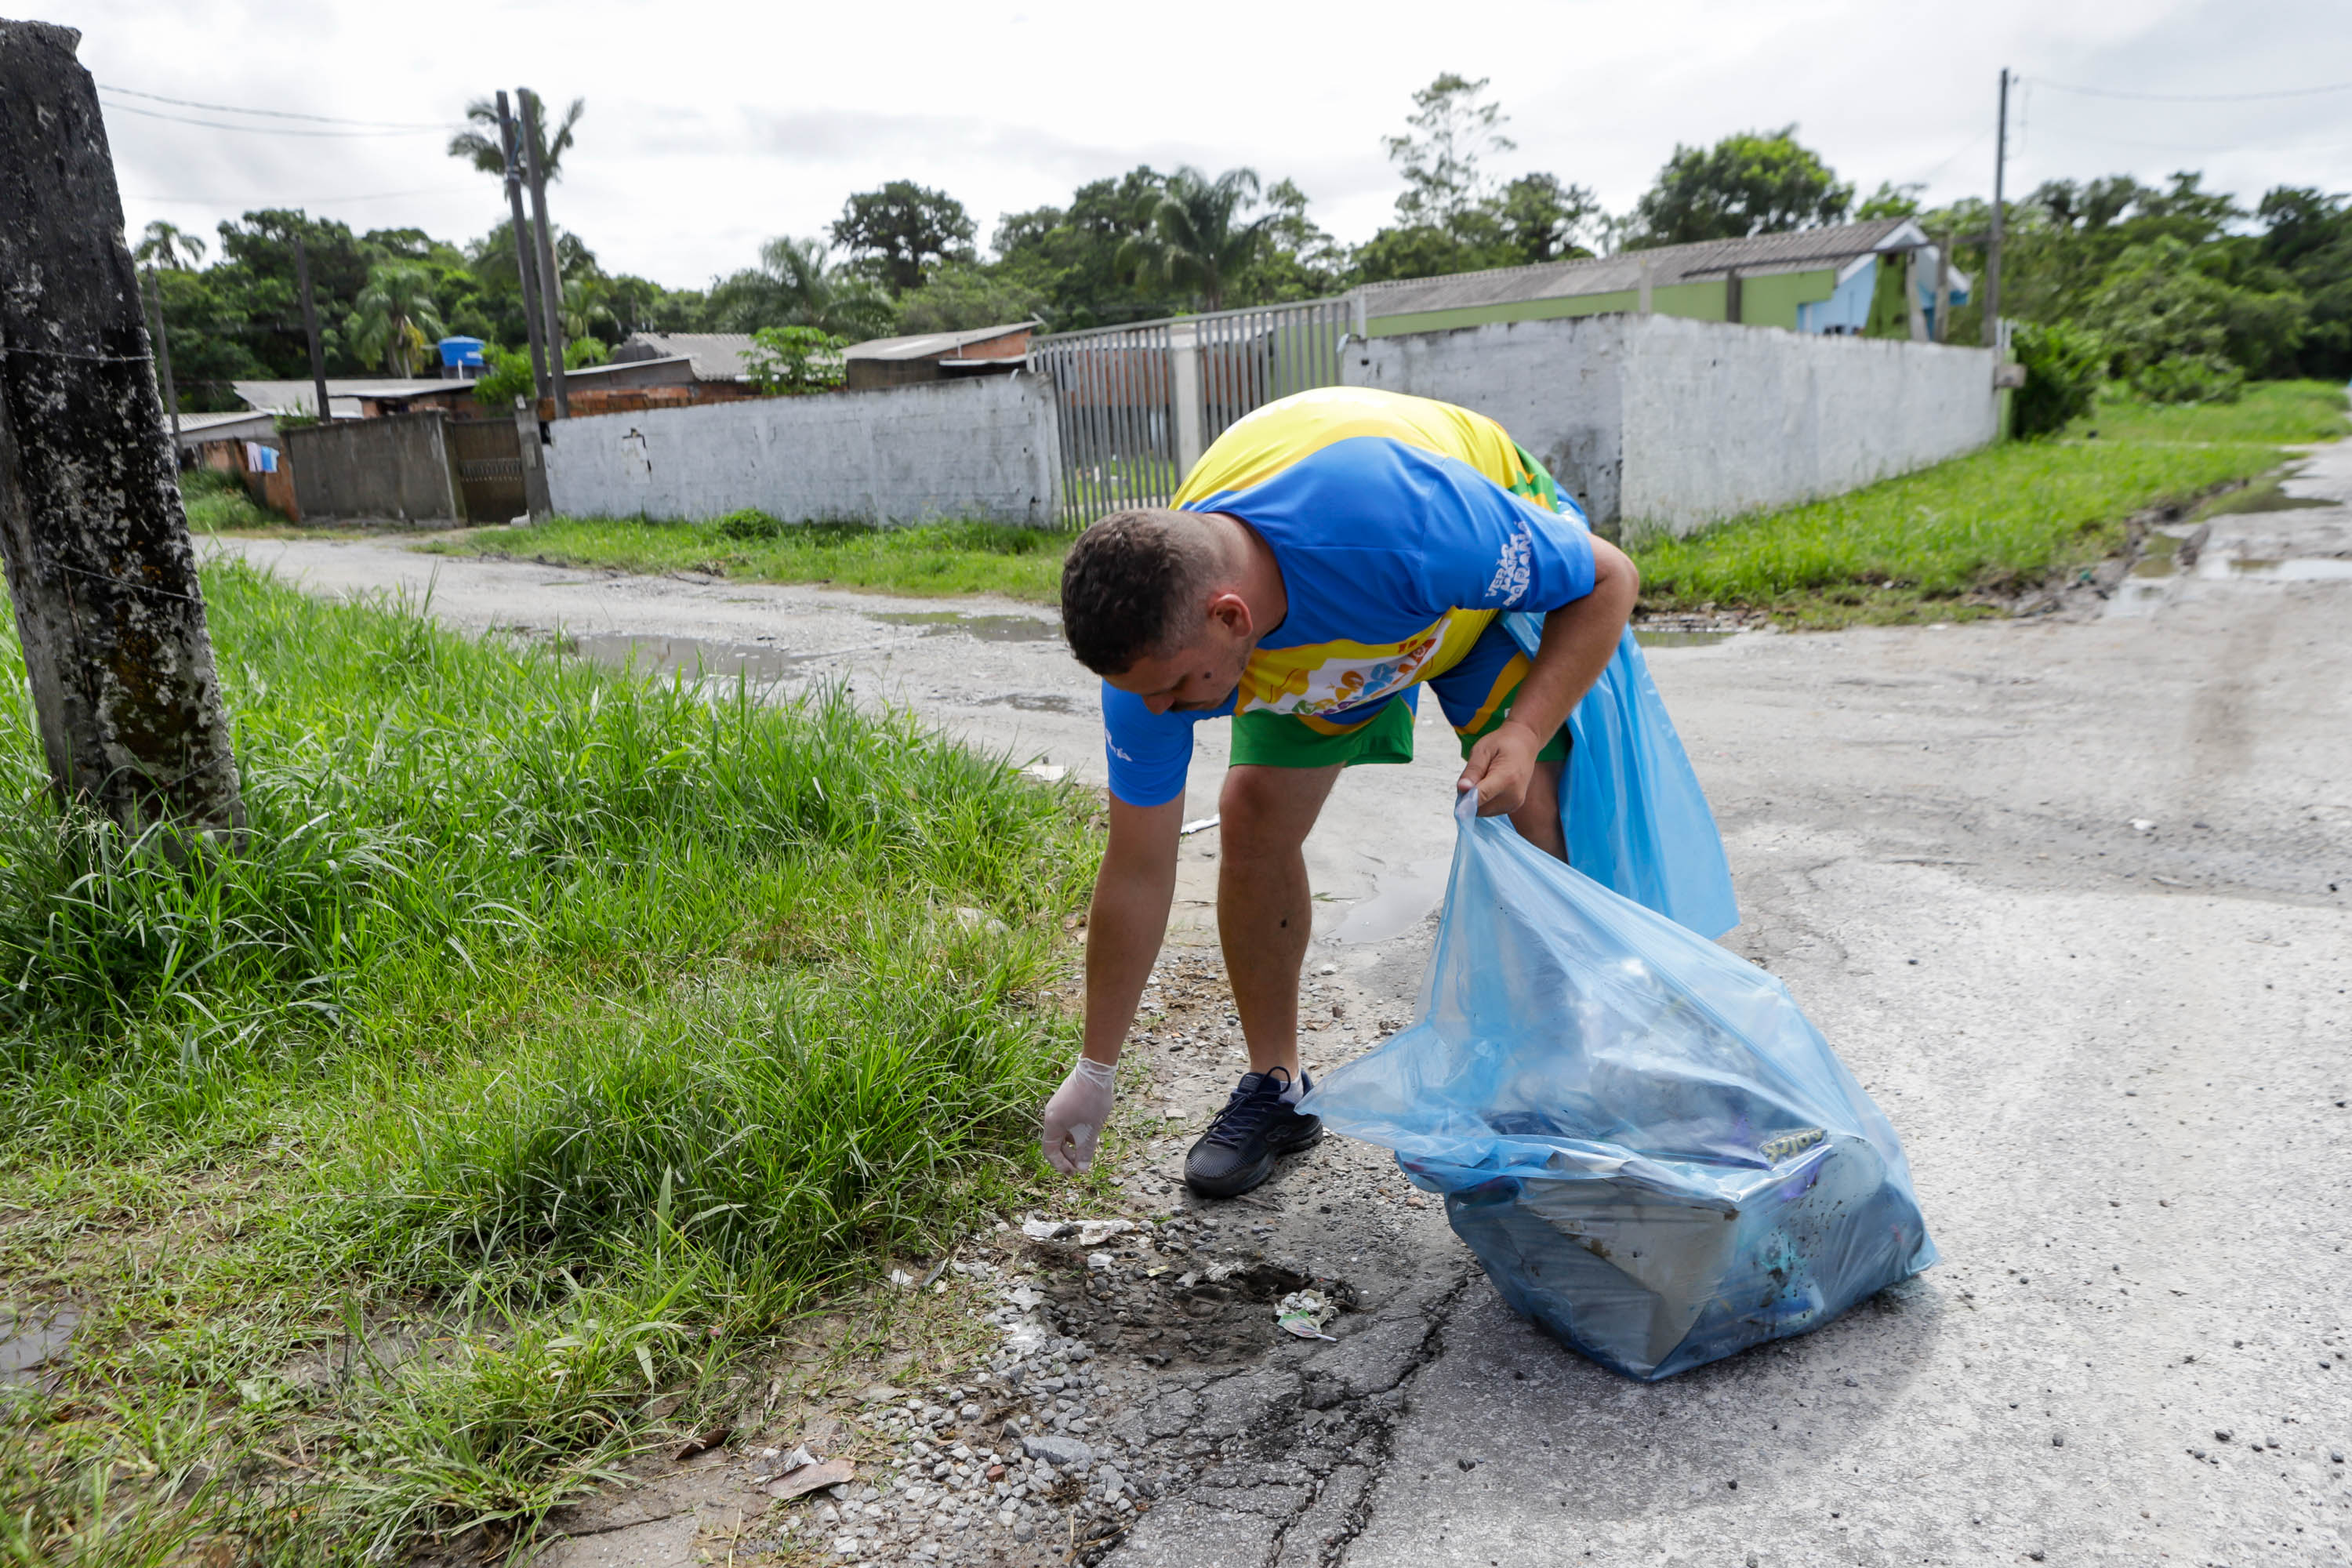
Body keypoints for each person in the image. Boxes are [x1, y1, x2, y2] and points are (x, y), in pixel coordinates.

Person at [1040, 386, 1641, 1197]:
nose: (1160, 712)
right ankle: (1277, 1090)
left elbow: (1607, 578)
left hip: (1461, 606)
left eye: (1178, 689)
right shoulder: (1153, 659)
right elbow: (1139, 867)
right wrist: (1095, 1067)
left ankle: (1568, 1077)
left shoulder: (1402, 523)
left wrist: (1527, 732)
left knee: (1530, 808)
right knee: (1251, 814)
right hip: (1348, 645)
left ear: (1229, 617)